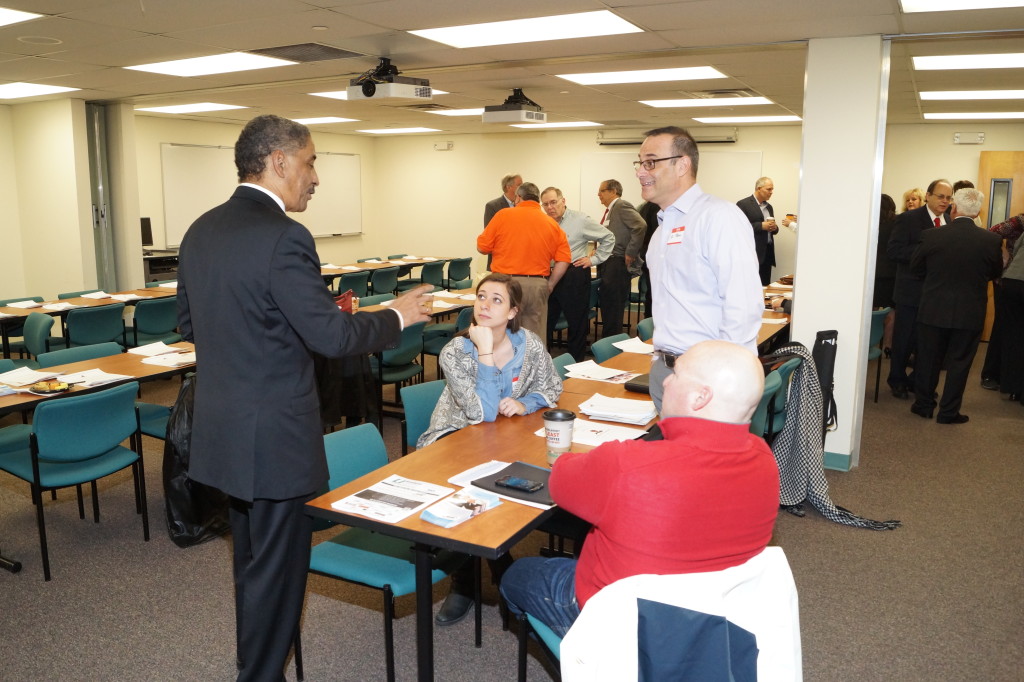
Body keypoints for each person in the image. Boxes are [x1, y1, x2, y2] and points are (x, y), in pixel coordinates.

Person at [177, 114, 433, 681]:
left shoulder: (200, 229)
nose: (315, 177)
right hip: (274, 438)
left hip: (224, 430)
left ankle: (253, 664)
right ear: (278, 161)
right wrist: (396, 315)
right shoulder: (285, 236)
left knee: (253, 566)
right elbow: (332, 337)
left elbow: (191, 325)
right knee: (279, 575)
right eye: (311, 162)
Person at [499, 340, 779, 637]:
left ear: (700, 397)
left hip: (619, 623)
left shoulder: (628, 465)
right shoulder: (765, 461)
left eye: (676, 374)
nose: (666, 381)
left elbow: (560, 480)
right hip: (714, 618)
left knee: (516, 575)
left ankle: (581, 649)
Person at [417, 273, 562, 625]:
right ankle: (467, 581)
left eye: (497, 300)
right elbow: (480, 414)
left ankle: (497, 559)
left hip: (505, 434)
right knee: (469, 488)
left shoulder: (528, 343)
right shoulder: (456, 351)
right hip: (454, 438)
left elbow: (553, 386)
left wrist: (526, 403)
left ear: (512, 312)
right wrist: (484, 352)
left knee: (524, 473)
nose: (485, 304)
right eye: (481, 296)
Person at [634, 125, 763, 412]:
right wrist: (660, 362)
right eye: (639, 163)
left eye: (650, 162)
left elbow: (743, 305)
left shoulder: (718, 217)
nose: (640, 172)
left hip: (708, 378)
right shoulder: (661, 232)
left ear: (682, 165)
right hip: (667, 371)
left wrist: (725, 376)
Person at [909, 187, 1002, 424]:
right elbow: (995, 272)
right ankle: (948, 412)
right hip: (970, 311)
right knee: (960, 363)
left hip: (933, 308)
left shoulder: (931, 236)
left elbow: (916, 267)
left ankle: (924, 405)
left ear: (954, 208)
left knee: (928, 359)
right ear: (977, 212)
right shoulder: (991, 240)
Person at [478, 182, 571, 342]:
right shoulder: (552, 224)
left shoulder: (502, 215)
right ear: (537, 200)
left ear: (518, 198)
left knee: (503, 335)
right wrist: (550, 284)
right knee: (534, 339)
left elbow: (482, 247)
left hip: (505, 285)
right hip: (537, 285)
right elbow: (564, 260)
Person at [886, 179, 953, 399]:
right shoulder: (908, 219)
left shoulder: (949, 221)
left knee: (929, 343)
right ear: (929, 196)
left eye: (948, 198)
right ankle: (897, 380)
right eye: (941, 196)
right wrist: (926, 252)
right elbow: (894, 251)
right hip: (911, 292)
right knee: (904, 340)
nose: (945, 201)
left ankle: (918, 382)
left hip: (937, 293)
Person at [541, 187, 615, 361]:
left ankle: (575, 364)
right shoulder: (543, 222)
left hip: (573, 274)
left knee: (577, 323)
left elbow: (608, 237)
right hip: (549, 275)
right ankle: (543, 364)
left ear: (563, 201)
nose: (550, 207)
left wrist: (594, 259)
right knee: (545, 322)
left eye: (553, 202)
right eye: (545, 204)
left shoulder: (580, 220)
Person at [596, 179, 646, 337]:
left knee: (613, 308)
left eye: (602, 191)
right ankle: (608, 342)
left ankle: (610, 345)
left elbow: (640, 226)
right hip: (608, 262)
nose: (598, 194)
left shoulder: (621, 206)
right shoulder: (611, 210)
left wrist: (631, 252)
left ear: (613, 191)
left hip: (616, 264)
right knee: (608, 307)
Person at [980, 212, 1024, 391]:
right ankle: (991, 374)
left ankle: (1009, 379)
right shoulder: (1020, 221)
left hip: (1014, 281)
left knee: (1014, 332)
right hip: (1008, 280)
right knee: (1001, 327)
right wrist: (1005, 255)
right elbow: (991, 232)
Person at [737, 177, 793, 286]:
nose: (771, 192)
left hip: (767, 254)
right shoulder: (743, 204)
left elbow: (771, 228)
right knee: (751, 286)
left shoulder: (769, 207)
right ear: (759, 188)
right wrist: (760, 226)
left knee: (765, 286)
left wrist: (774, 228)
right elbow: (738, 227)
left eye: (772, 189)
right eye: (769, 189)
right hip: (752, 254)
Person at [874, 194, 898, 354]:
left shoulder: (872, 223)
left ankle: (869, 342)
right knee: (891, 311)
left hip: (874, 273)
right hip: (892, 273)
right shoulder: (896, 224)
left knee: (872, 310)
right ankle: (888, 345)